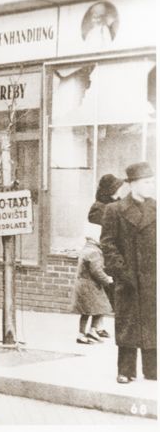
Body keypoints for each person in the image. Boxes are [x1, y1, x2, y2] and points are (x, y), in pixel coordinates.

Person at [101, 162, 156, 383]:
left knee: (153, 322)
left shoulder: (156, 207)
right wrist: (121, 271)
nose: (151, 186)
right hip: (128, 278)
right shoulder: (114, 210)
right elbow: (108, 244)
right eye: (146, 182)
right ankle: (125, 370)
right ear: (132, 184)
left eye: (152, 182)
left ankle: (152, 370)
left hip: (153, 278)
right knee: (127, 323)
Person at [88, 173, 125, 308]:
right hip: (106, 256)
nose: (120, 190)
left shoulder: (118, 204)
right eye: (118, 187)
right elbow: (103, 235)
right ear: (111, 190)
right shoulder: (99, 208)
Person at [72, 222, 113, 344]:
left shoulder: (88, 249)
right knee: (92, 309)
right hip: (89, 286)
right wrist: (107, 279)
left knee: (96, 308)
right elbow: (96, 271)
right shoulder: (93, 252)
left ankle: (90, 331)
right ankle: (83, 333)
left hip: (87, 285)